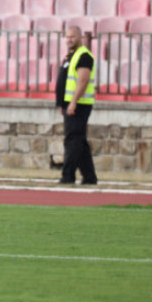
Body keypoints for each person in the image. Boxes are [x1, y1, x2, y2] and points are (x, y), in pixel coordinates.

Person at [59, 26, 98, 185]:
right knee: (79, 141)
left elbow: (83, 80)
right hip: (72, 103)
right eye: (67, 37)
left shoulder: (83, 56)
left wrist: (73, 102)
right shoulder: (72, 56)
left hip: (80, 104)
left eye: (72, 37)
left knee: (73, 140)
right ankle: (89, 177)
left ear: (80, 37)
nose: (69, 40)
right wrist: (63, 103)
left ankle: (67, 176)